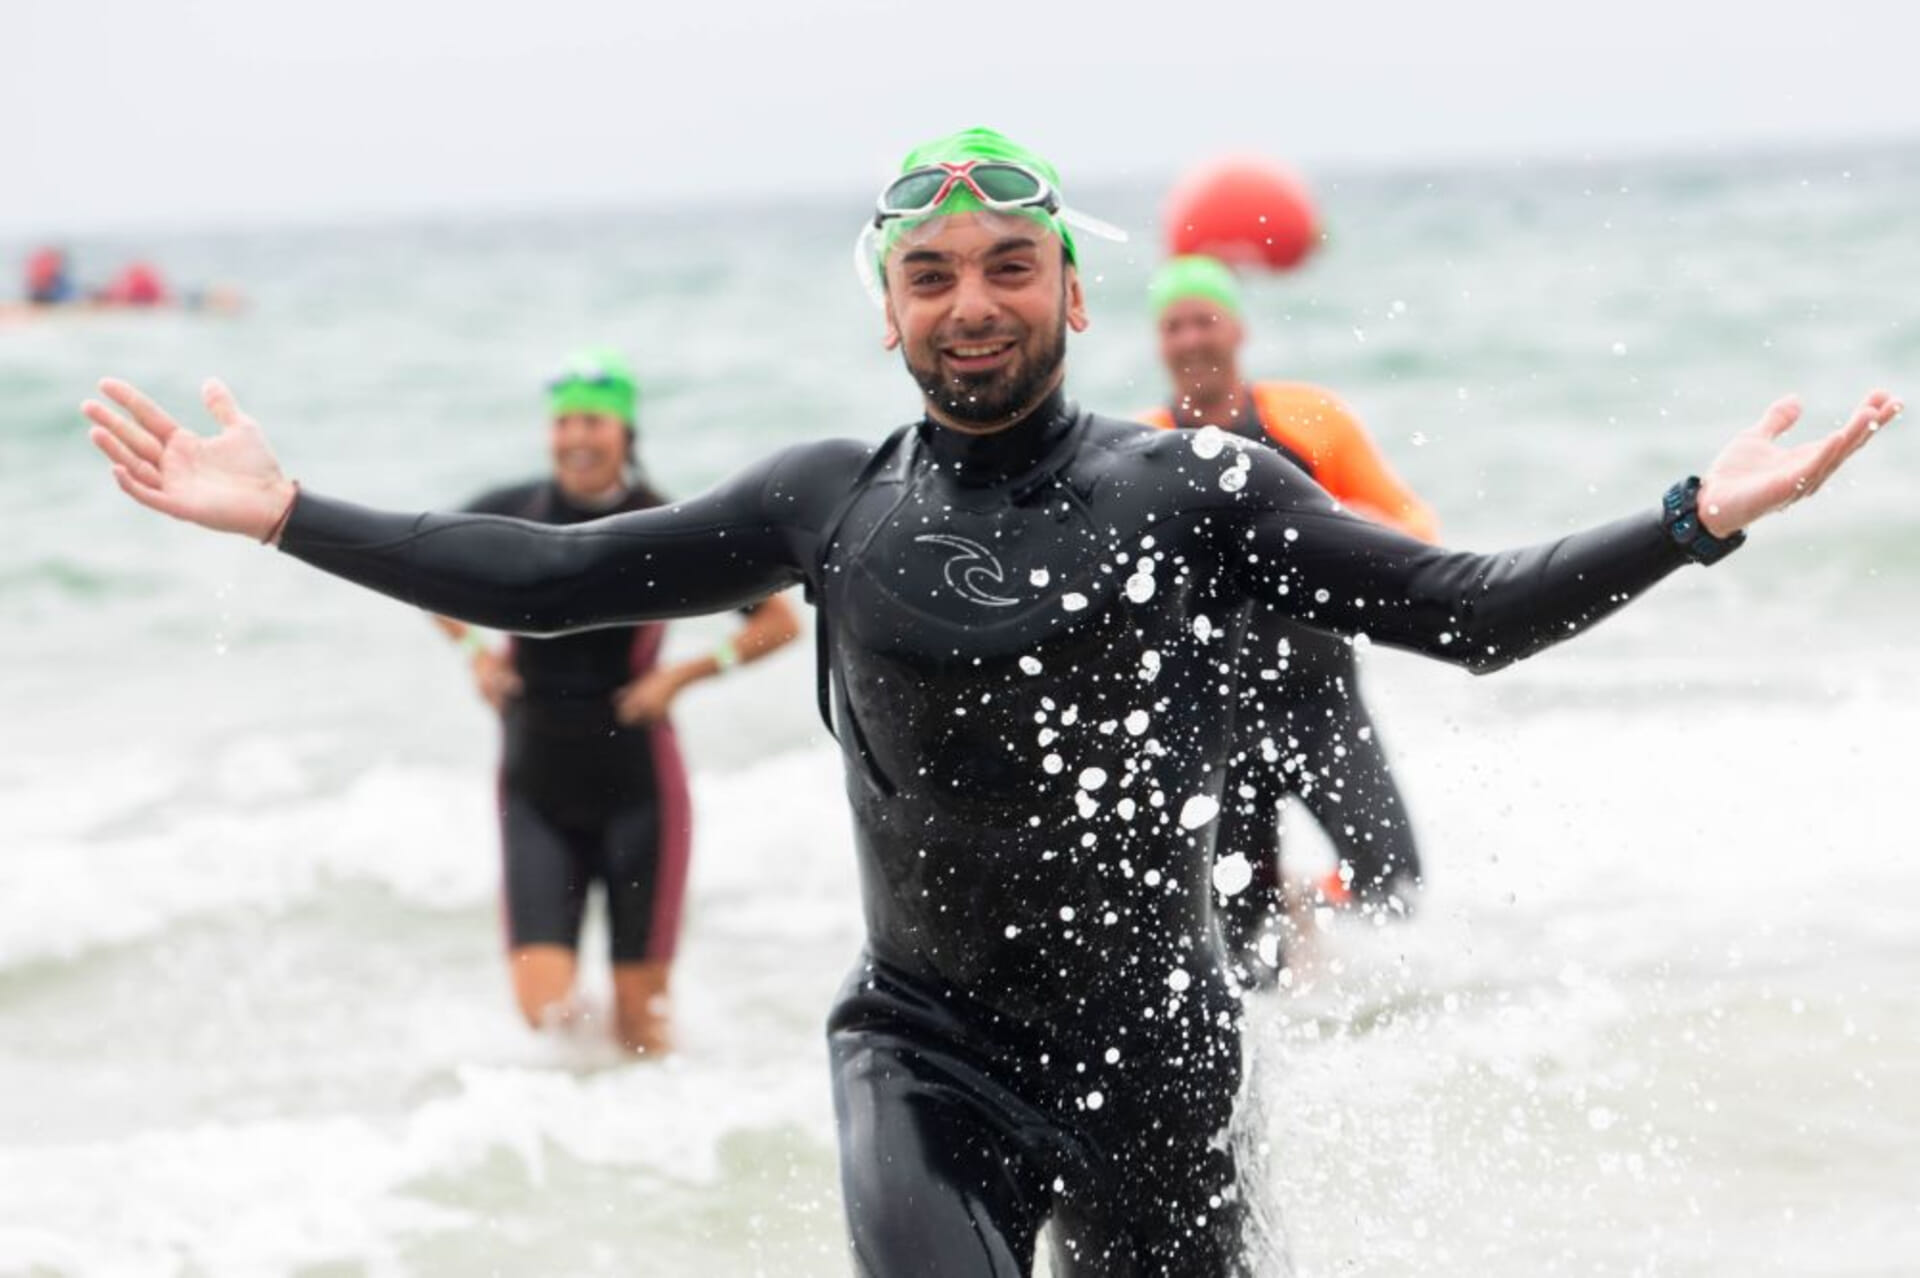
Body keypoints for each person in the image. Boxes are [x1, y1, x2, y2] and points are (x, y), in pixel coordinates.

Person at [83, 127, 1898, 1277]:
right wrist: (290, 514)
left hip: (1160, 1058)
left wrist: (1691, 519)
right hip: (928, 1050)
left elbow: (1473, 612)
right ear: (888, 311)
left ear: (1072, 292)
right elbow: (558, 582)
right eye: (932, 276)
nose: (972, 303)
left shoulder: (1200, 488)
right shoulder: (829, 498)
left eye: (1007, 268)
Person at [431, 349, 800, 1057]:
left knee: (642, 1032)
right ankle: (579, 1144)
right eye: (564, 422)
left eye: (594, 423)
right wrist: (473, 653)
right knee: (544, 1014)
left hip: (638, 789)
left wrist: (685, 674)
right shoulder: (514, 512)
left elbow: (779, 624)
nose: (577, 438)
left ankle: (663, 1139)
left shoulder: (663, 522)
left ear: (625, 434)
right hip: (534, 783)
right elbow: (419, 570)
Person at [1139, 254, 1437, 980]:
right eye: (1174, 325)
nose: (1191, 339)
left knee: (1393, 884)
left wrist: (1341, 533)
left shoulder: (1312, 420)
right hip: (1215, 724)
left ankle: (1311, 910)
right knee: (1244, 953)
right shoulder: (1143, 449)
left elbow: (1413, 528)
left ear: (1236, 328)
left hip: (1320, 700)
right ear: (1158, 343)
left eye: (1204, 318)